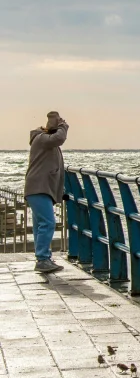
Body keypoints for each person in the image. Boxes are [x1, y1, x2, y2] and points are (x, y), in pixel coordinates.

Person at [25, 112, 68, 273]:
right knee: (48, 223)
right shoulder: (42, 139)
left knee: (40, 225)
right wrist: (63, 126)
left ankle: (43, 258)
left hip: (40, 188)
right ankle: (42, 259)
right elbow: (59, 138)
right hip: (38, 188)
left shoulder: (46, 141)